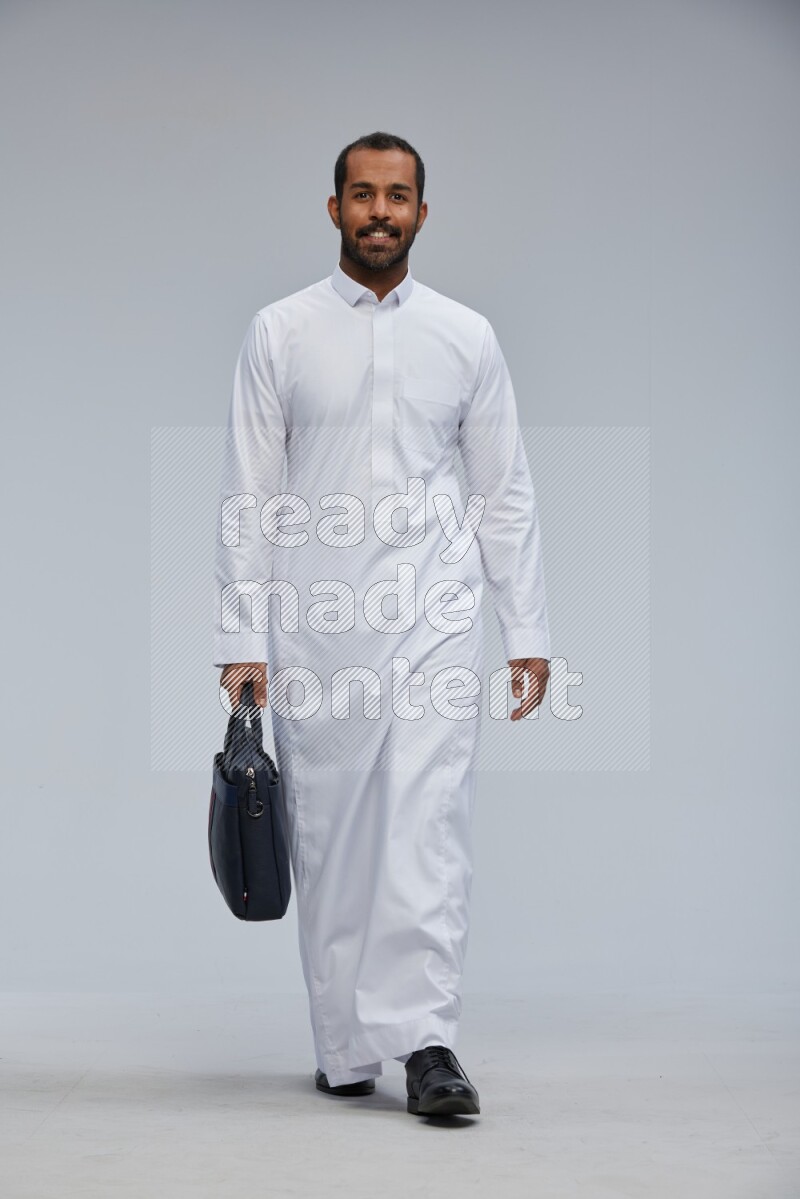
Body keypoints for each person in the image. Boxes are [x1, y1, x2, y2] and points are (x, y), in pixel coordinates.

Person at [212, 131, 551, 1118]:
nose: (378, 212)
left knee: (426, 824)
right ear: (333, 210)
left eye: (396, 196)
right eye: (361, 195)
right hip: (316, 619)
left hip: (436, 613)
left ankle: (426, 1040)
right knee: (327, 832)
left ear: (421, 212)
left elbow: (504, 489)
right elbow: (248, 490)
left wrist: (522, 626)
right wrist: (239, 637)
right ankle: (343, 1043)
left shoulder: (465, 336)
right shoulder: (279, 332)